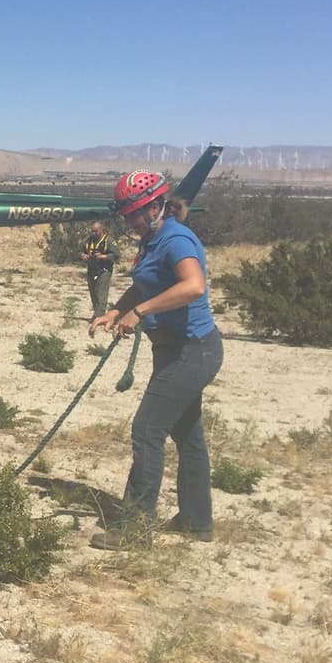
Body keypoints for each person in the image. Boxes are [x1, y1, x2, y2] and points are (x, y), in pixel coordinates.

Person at [88, 170, 224, 550]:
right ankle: (197, 522)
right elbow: (146, 281)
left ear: (153, 207)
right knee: (187, 433)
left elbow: (192, 286)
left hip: (194, 351)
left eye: (133, 214)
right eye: (125, 214)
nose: (128, 222)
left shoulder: (176, 238)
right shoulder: (152, 239)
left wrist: (141, 311)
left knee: (147, 429)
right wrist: (117, 310)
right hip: (175, 350)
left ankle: (135, 528)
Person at [81, 220, 120, 318]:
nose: (94, 233)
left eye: (96, 231)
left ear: (101, 230)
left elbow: (117, 255)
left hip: (104, 270)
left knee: (101, 293)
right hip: (91, 270)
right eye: (92, 231)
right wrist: (83, 255)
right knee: (93, 293)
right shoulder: (87, 240)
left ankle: (99, 316)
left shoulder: (109, 241)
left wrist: (103, 256)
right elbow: (79, 251)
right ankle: (97, 312)